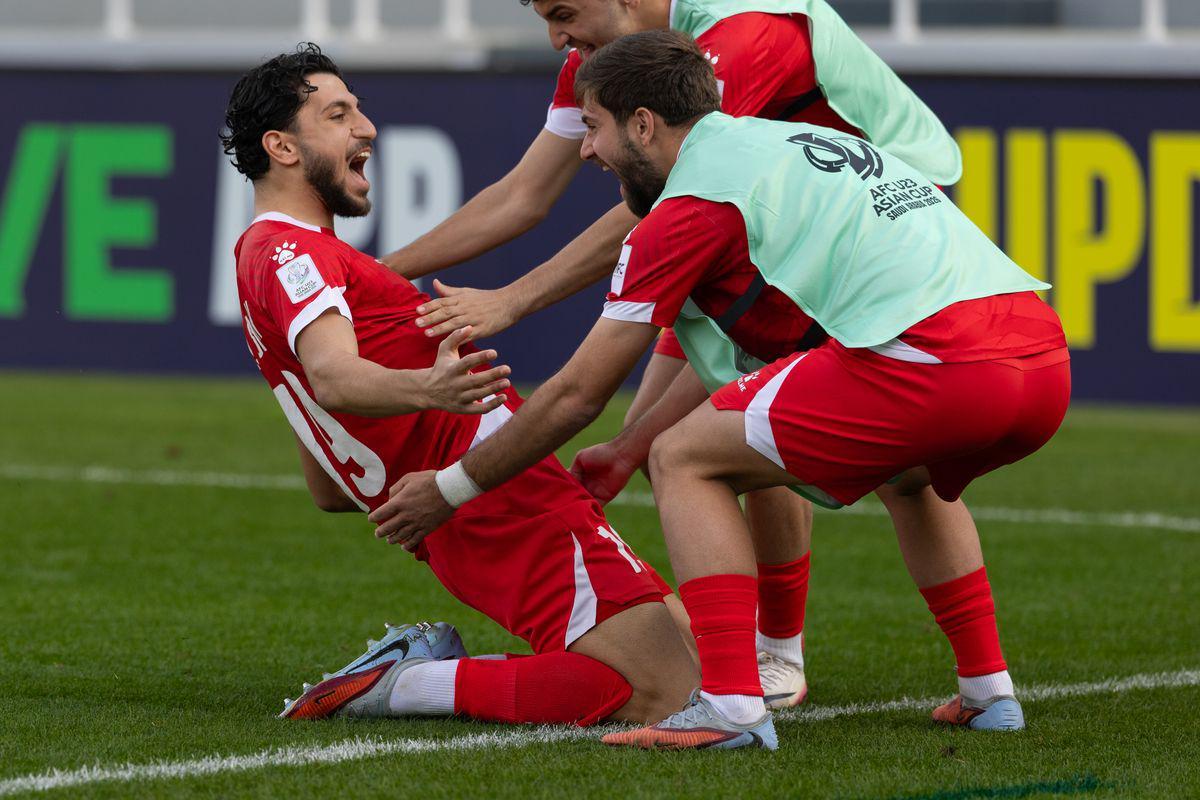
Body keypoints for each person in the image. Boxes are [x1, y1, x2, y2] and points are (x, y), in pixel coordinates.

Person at [371, 31, 1070, 751]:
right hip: (1039, 356)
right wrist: (625, 446)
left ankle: (731, 707)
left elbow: (579, 392)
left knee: (683, 459)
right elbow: (742, 368)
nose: (586, 151)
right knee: (909, 480)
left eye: (594, 128)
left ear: (644, 123)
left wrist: (451, 489)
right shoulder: (782, 144)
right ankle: (988, 692)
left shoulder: (689, 207)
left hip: (933, 362)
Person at [222, 44, 701, 727]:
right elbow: (332, 379)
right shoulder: (292, 250)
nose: (367, 128)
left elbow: (329, 485)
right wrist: (432, 390)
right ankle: (410, 683)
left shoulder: (274, 260)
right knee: (668, 693)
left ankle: (415, 679)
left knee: (699, 660)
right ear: (283, 147)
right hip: (496, 492)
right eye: (338, 113)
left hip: (475, 501)